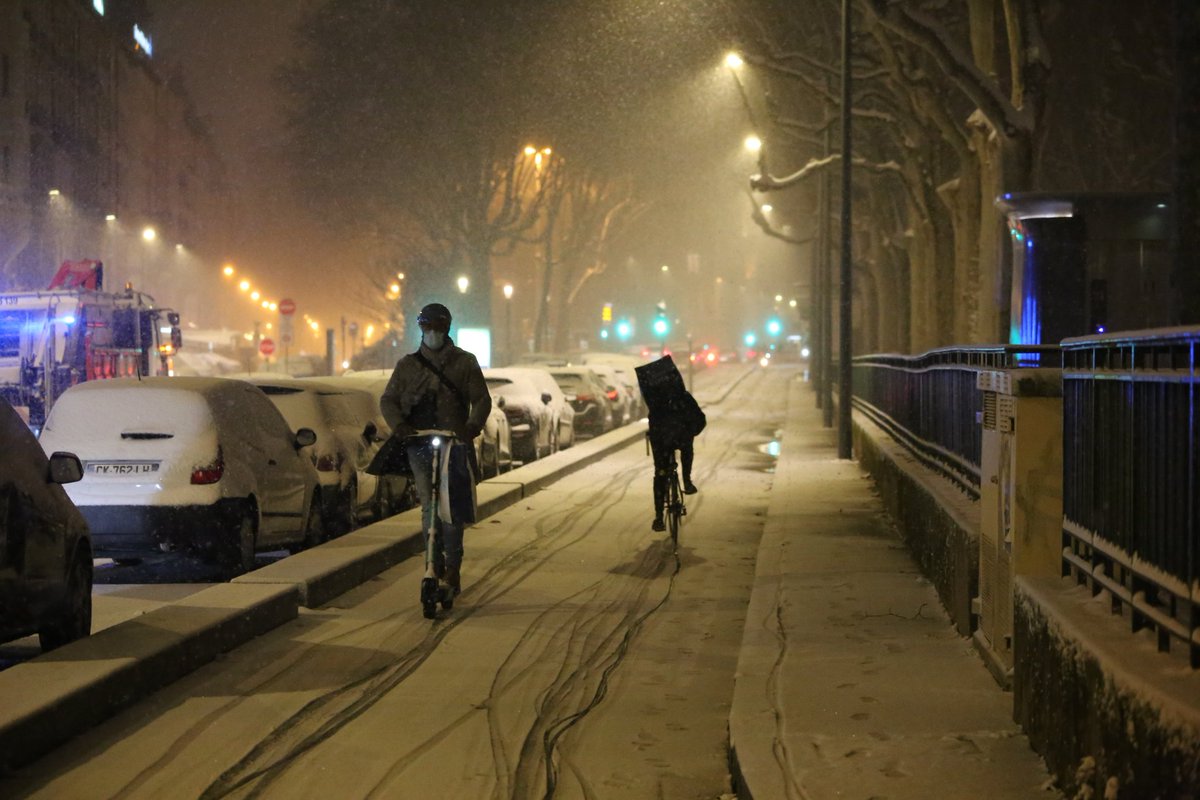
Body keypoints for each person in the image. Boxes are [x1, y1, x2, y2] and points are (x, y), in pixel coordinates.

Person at [379, 302, 491, 596]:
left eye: (437, 328)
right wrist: (400, 426)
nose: (432, 333)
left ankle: (453, 566)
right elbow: (388, 400)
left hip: (454, 444)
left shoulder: (465, 363)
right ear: (421, 330)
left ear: (446, 329)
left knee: (451, 505)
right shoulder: (408, 365)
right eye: (427, 328)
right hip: (419, 443)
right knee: (429, 504)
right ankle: (432, 560)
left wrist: (471, 427)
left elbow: (482, 399)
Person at [644, 365, 705, 532]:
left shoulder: (655, 401)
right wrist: (691, 431)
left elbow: (652, 423)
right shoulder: (683, 397)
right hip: (681, 438)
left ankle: (658, 517)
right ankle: (686, 480)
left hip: (661, 443)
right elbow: (700, 418)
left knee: (661, 474)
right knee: (687, 450)